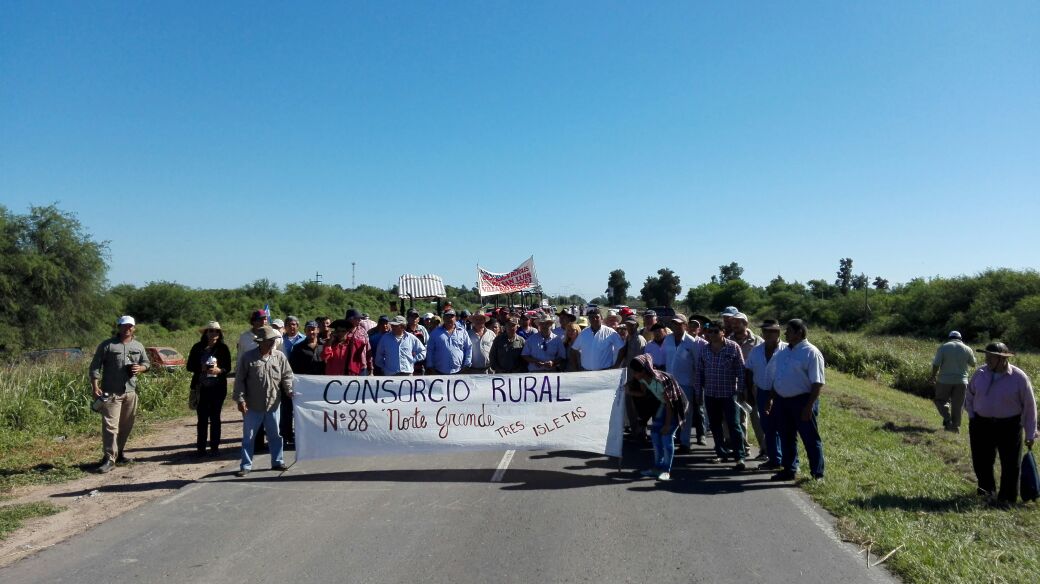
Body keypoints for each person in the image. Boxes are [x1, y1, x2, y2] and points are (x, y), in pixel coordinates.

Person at [965, 342, 1037, 505]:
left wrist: (1031, 433)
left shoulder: (1019, 377)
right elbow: (969, 394)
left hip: (1009, 426)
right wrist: (972, 415)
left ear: (1003, 359)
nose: (987, 360)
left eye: (992, 357)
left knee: (1010, 463)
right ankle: (986, 491)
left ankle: (1007, 498)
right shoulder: (980, 373)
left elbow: (1029, 406)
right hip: (981, 424)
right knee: (981, 460)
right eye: (987, 356)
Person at [765, 319, 826, 481]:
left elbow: (818, 382)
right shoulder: (784, 352)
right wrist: (771, 398)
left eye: (789, 331)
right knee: (786, 437)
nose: (785, 333)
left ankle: (817, 474)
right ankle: (789, 469)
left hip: (802, 401)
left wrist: (809, 407)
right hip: (782, 401)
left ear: (799, 332)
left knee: (810, 438)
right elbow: (778, 377)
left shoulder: (811, 352)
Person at [89, 315, 151, 473]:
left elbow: (147, 363)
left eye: (130, 326)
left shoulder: (138, 346)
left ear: (134, 328)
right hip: (111, 394)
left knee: (126, 426)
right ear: (119, 327)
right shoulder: (107, 345)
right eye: (124, 326)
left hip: (130, 392)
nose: (127, 328)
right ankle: (109, 459)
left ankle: (119, 452)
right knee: (111, 427)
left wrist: (140, 368)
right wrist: (95, 386)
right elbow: (95, 367)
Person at [233, 326, 294, 477]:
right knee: (249, 437)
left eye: (273, 340)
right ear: (260, 342)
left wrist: (289, 390)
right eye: (269, 341)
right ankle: (245, 466)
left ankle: (277, 462)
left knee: (275, 435)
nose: (272, 343)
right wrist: (240, 399)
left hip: (274, 404)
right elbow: (239, 380)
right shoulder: (247, 358)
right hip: (252, 405)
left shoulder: (279, 357)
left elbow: (287, 375)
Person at [626, 354, 688, 481]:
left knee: (666, 436)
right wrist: (628, 391)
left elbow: (670, 405)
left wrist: (666, 425)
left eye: (635, 371)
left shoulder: (661, 381)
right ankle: (656, 468)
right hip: (664, 404)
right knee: (655, 434)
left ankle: (666, 470)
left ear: (643, 371)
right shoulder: (642, 379)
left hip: (676, 406)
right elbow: (643, 393)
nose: (633, 374)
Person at [695, 321, 747, 470]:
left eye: (715, 331)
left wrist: (741, 390)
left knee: (734, 425)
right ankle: (721, 453)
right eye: (709, 332)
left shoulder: (733, 347)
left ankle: (739, 457)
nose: (712, 334)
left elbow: (740, 370)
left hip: (729, 394)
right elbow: (699, 373)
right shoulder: (704, 350)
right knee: (715, 425)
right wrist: (698, 393)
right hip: (711, 394)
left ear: (723, 332)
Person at [744, 319, 787, 470]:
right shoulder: (756, 350)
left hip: (781, 394)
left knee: (783, 427)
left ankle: (784, 460)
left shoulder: (786, 350)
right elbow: (748, 370)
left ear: (778, 332)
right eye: (765, 331)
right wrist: (749, 391)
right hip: (762, 391)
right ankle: (774, 458)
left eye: (772, 331)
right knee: (767, 426)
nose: (768, 334)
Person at [186, 321, 232, 456]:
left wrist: (219, 370)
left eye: (217, 331)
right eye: (211, 331)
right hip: (201, 388)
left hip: (218, 388)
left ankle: (215, 447)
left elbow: (228, 368)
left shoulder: (223, 348)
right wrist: (201, 368)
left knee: (216, 417)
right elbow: (189, 366)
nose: (214, 333)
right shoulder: (197, 348)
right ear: (206, 333)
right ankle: (201, 448)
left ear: (220, 333)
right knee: (202, 418)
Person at [664, 314, 708, 451]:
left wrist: (697, 385)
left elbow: (697, 364)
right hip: (670, 382)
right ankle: (671, 439)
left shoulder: (692, 342)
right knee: (670, 412)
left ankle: (685, 442)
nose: (676, 326)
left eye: (679, 324)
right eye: (674, 324)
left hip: (686, 383)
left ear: (685, 325)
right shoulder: (668, 339)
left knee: (686, 414)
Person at [728, 312, 765, 459]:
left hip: (754, 385)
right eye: (733, 323)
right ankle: (743, 448)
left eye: (738, 322)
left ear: (746, 324)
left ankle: (765, 449)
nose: (735, 325)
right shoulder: (728, 341)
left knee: (757, 418)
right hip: (736, 385)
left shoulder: (758, 341)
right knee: (740, 419)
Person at [930, 330, 977, 432]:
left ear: (949, 338)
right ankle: (955, 427)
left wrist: (933, 376)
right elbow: (973, 364)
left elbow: (936, 364)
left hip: (944, 380)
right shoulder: (967, 349)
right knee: (958, 405)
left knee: (940, 400)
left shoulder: (943, 347)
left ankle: (947, 419)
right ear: (960, 339)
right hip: (962, 381)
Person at [323, 309, 374, 376]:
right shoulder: (330, 342)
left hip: (358, 369)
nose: (341, 333)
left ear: (346, 332)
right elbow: (325, 357)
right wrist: (330, 342)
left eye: (343, 331)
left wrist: (370, 368)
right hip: (334, 375)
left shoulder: (362, 332)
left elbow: (368, 350)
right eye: (338, 331)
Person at [425, 309, 473, 375]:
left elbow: (468, 348)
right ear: (443, 318)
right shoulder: (435, 333)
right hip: (439, 372)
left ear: (455, 318)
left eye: (451, 316)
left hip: (459, 371)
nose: (449, 319)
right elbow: (430, 350)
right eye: (447, 316)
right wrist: (430, 366)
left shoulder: (463, 332)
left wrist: (467, 364)